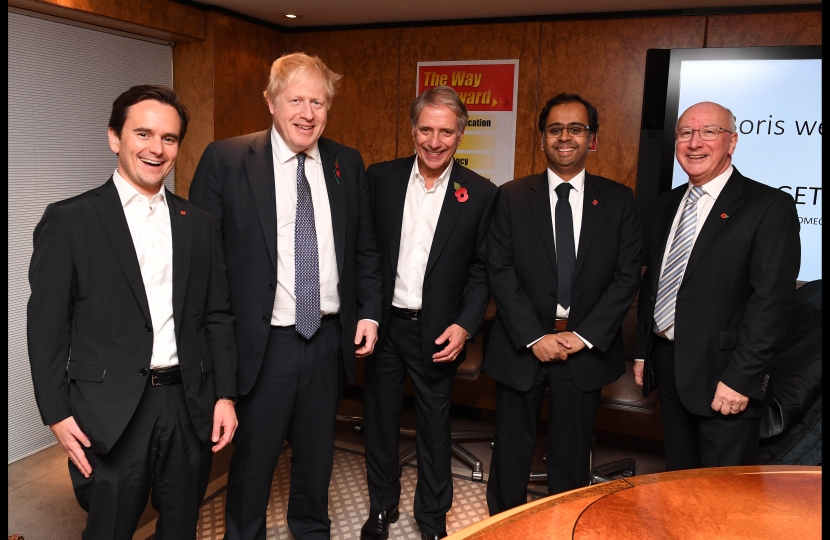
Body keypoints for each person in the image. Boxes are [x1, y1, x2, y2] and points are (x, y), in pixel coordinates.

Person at [27, 85, 238, 539]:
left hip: (188, 403)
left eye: (169, 138)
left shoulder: (199, 223)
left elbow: (216, 314)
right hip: (110, 411)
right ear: (113, 138)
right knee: (110, 529)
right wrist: (57, 415)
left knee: (181, 527)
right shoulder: (69, 221)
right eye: (143, 133)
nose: (156, 148)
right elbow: (46, 328)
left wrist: (224, 395)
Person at [188, 52, 383, 540]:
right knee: (254, 459)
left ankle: (311, 531)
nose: (307, 112)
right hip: (262, 343)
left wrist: (371, 314)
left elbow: (365, 250)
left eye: (318, 101)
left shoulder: (346, 162)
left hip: (327, 338)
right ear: (271, 102)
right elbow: (200, 261)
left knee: (318, 457)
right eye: (296, 99)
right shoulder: (227, 159)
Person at [484, 93, 642, 514]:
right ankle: (501, 528)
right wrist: (534, 336)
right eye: (555, 129)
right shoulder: (512, 196)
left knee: (572, 462)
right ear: (542, 138)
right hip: (523, 347)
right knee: (511, 457)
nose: (565, 137)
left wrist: (584, 336)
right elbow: (499, 271)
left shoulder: (617, 199)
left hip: (583, 352)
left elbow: (627, 277)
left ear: (592, 138)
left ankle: (564, 527)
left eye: (576, 128)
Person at [360, 86, 497, 540]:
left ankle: (432, 519)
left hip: (438, 331)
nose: (434, 142)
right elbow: (368, 254)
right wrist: (368, 315)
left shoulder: (479, 193)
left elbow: (481, 271)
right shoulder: (380, 178)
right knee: (379, 421)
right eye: (426, 130)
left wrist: (465, 324)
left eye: (445, 132)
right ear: (412, 129)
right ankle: (381, 508)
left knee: (434, 428)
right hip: (384, 326)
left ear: (460, 135)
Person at [634, 101, 801, 470]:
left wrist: (742, 378)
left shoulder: (769, 206)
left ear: (732, 142)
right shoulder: (667, 204)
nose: (695, 143)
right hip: (669, 364)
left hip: (725, 375)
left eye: (709, 132)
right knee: (679, 478)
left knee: (722, 496)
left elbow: (772, 304)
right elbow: (656, 281)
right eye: (685, 133)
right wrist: (645, 351)